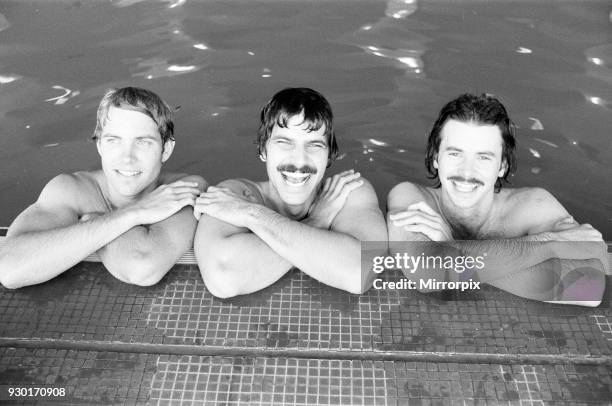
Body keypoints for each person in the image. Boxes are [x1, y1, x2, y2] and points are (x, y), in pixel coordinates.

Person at [387, 93, 607, 306]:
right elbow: (427, 274)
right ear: (436, 158)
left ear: (502, 166)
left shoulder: (534, 206)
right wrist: (550, 243)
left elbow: (589, 287)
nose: (466, 171)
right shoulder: (410, 198)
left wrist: (452, 251)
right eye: (455, 154)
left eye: (483, 157)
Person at [0, 87, 206, 289]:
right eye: (114, 141)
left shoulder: (183, 189)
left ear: (166, 149)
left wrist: (90, 220)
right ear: (100, 146)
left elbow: (142, 268)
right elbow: (8, 268)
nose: (127, 158)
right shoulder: (71, 189)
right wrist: (135, 213)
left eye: (142, 142)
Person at [194, 87, 387, 298]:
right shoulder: (234, 194)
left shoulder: (349, 191)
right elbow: (223, 279)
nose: (299, 160)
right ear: (263, 150)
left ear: (330, 156)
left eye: (314, 145)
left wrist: (251, 215)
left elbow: (363, 272)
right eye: (284, 143)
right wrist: (316, 220)